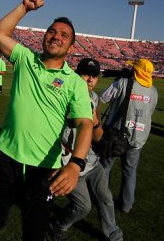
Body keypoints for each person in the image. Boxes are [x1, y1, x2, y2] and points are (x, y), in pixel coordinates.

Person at [0, 0, 93, 241]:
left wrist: (75, 163)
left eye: (64, 35)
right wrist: (24, 7)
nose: (56, 36)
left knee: (34, 233)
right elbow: (0, 33)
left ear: (71, 48)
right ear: (43, 36)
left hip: (45, 170)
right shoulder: (26, 59)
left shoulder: (75, 82)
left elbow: (85, 123)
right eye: (52, 31)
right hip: (6, 158)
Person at [51, 58, 123, 241]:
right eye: (85, 74)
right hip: (69, 160)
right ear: (76, 74)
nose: (90, 79)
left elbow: (97, 136)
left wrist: (95, 121)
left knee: (106, 198)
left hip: (90, 159)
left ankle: (113, 235)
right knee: (83, 206)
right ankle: (58, 225)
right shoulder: (64, 94)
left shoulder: (94, 98)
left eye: (94, 76)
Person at [100, 58, 158, 213]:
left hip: (116, 134)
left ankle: (101, 198)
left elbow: (104, 98)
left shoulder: (123, 83)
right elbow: (150, 112)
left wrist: (119, 81)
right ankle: (126, 205)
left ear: (136, 71)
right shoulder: (153, 91)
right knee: (130, 171)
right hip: (138, 138)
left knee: (105, 166)